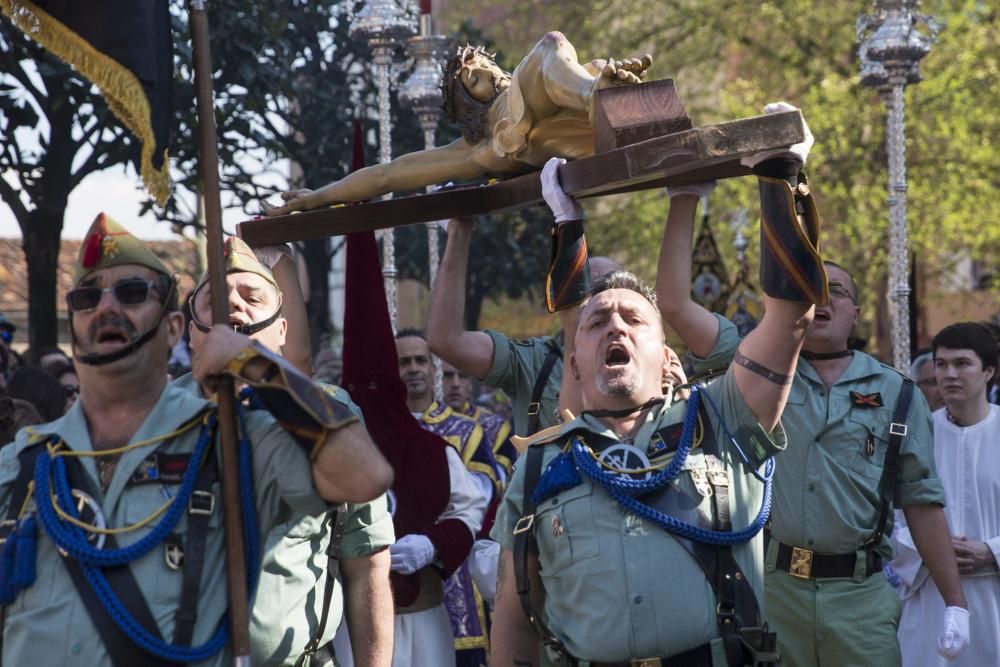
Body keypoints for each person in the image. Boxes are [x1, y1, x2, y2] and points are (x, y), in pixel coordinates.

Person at [487, 137, 826, 665]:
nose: (615, 326)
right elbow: (513, 618)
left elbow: (792, 316)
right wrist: (566, 228)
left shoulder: (722, 419)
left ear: (666, 355)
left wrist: (781, 181)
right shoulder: (538, 467)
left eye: (633, 319)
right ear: (573, 364)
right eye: (597, 322)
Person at [0, 213, 392, 665]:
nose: (106, 307)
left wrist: (258, 369)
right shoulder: (32, 456)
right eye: (87, 297)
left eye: (130, 294)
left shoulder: (253, 435)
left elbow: (366, 498)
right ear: (187, 328)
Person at [656, 104, 968, 667]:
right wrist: (684, 198)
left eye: (838, 293)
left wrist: (955, 602)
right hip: (774, 593)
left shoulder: (898, 394)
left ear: (855, 316)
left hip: (862, 600)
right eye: (814, 288)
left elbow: (922, 502)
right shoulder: (752, 365)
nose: (822, 300)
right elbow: (676, 304)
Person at [186, 237, 395, 667]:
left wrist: (255, 368)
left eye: (251, 297)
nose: (234, 308)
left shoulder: (328, 413)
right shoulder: (158, 419)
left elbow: (368, 566)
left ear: (281, 329)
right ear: (191, 328)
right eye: (214, 302)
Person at [263, 33, 651, 216]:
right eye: (476, 80)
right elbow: (387, 175)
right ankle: (597, 93)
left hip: (575, 132)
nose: (493, 77)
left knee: (586, 66)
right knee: (551, 44)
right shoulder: (470, 150)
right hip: (527, 132)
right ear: (468, 103)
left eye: (489, 68)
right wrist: (318, 198)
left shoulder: (528, 83)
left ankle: (600, 92)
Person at [427, 210, 621, 437]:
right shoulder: (532, 362)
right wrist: (459, 234)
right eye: (585, 288)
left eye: (607, 287)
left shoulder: (647, 359)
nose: (596, 300)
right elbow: (446, 340)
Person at [893, 322, 997, 667]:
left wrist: (991, 552)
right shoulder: (913, 436)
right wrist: (934, 549)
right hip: (930, 597)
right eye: (941, 364)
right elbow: (887, 520)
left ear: (989, 371)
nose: (949, 374)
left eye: (962, 363)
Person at [395, 329, 492, 667]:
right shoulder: (376, 431)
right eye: (403, 361)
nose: (413, 368)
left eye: (421, 360)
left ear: (432, 368)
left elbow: (483, 506)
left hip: (458, 574)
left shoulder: (468, 431)